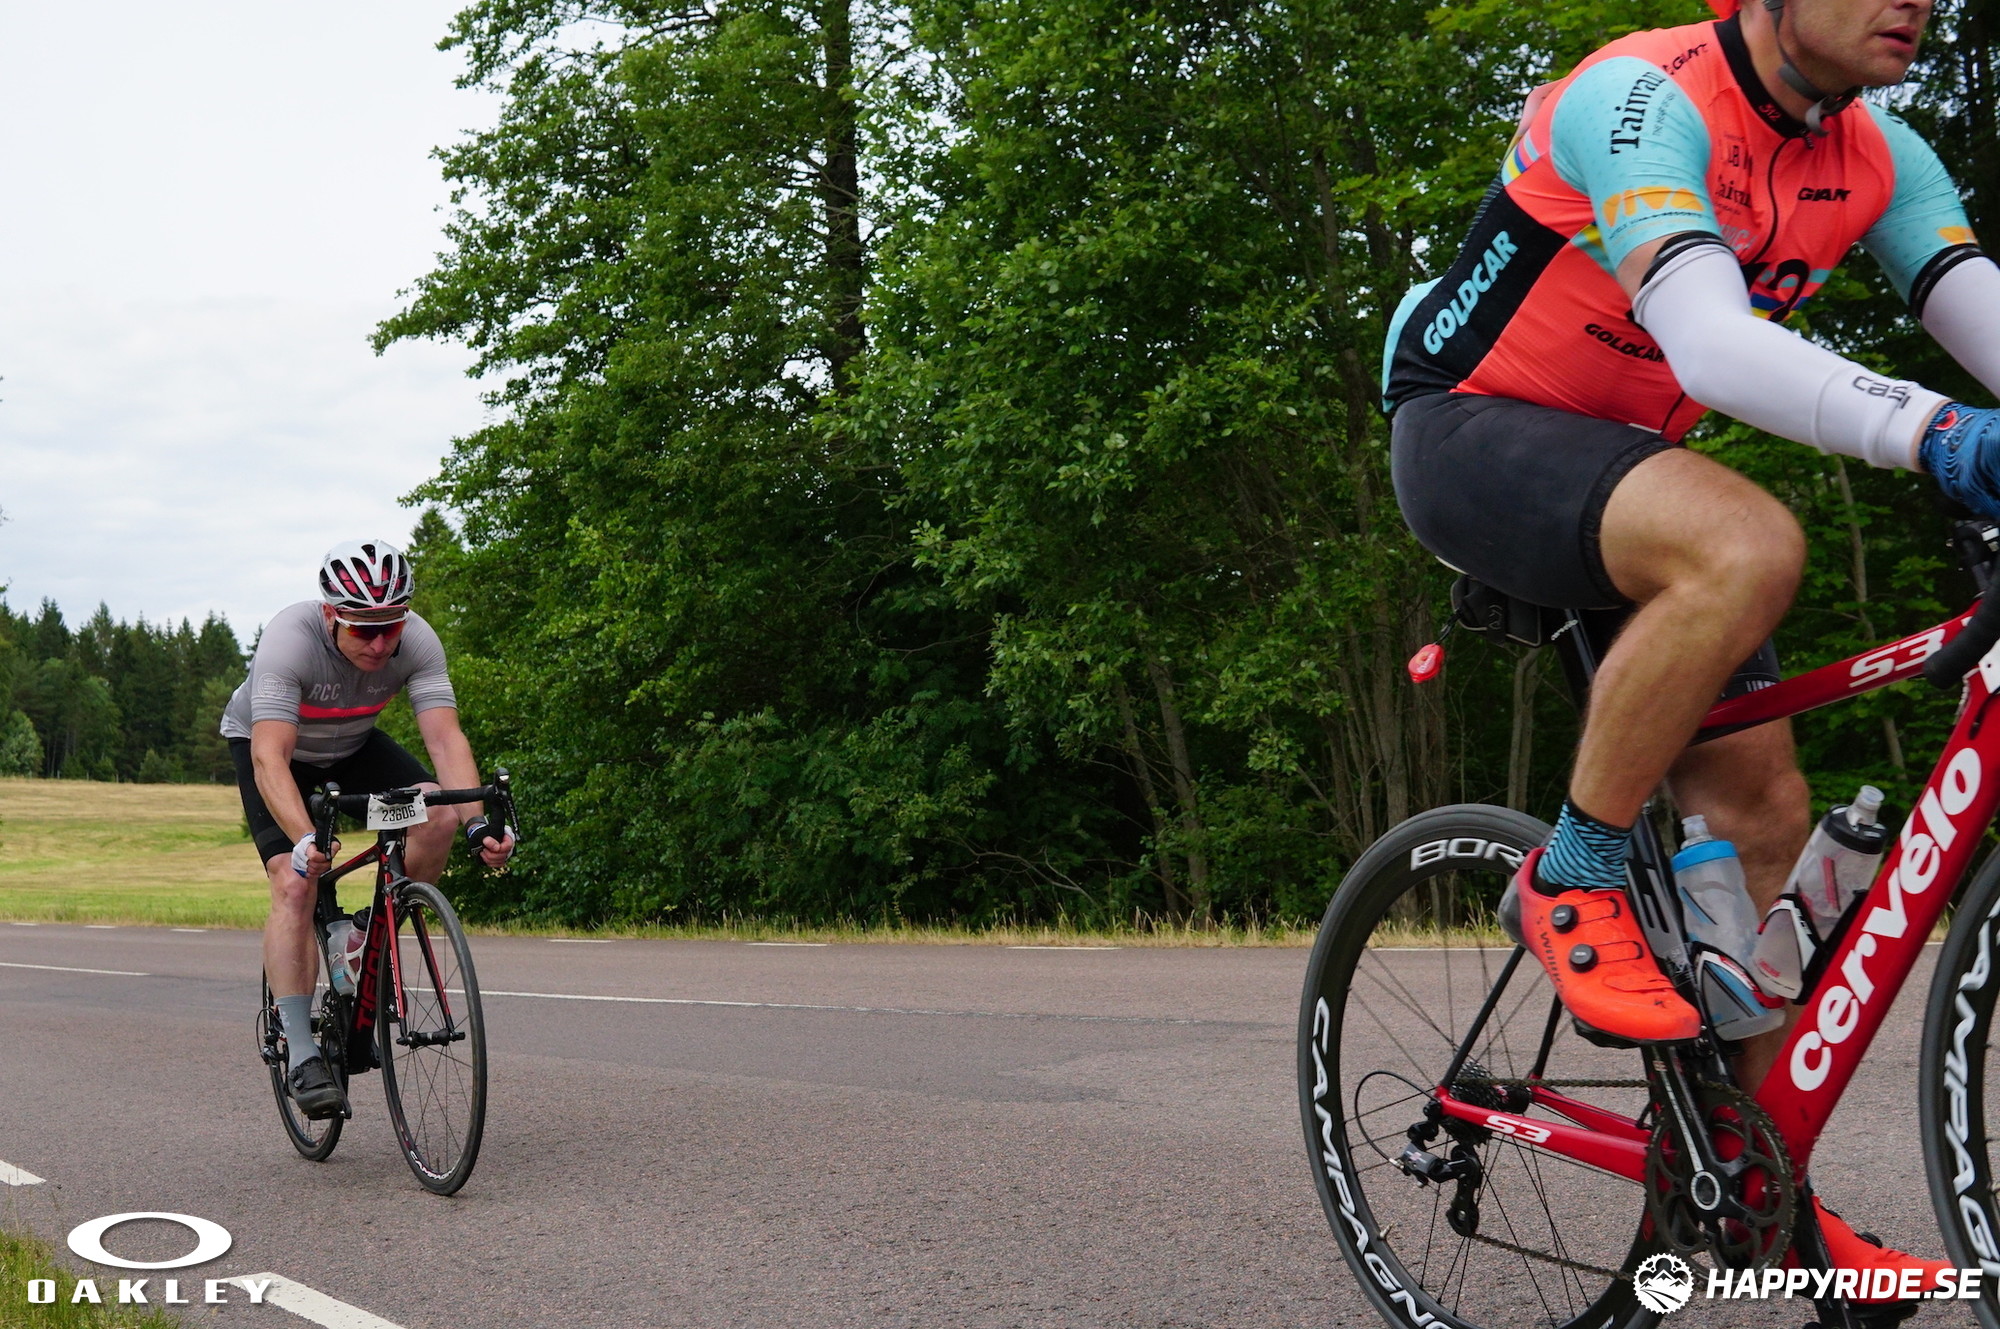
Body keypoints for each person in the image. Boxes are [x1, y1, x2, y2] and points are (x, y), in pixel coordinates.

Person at [1382, 0, 2000, 1297]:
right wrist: (1941, 434)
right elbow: (1710, 346)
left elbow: (1978, 311)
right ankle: (1570, 873)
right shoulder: (1640, 99)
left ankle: (1761, 1199)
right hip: (1472, 426)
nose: (1916, 0)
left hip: (1630, 473)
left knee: (1768, 814)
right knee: (1750, 545)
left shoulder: (1878, 154)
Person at [221, 539, 514, 1119]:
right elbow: (269, 760)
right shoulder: (288, 641)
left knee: (437, 813)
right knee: (296, 884)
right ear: (331, 614)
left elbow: (445, 739)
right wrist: (305, 840)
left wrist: (477, 822)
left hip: (353, 747)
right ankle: (302, 1053)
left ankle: (362, 935)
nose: (381, 644)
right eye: (364, 630)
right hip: (277, 754)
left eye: (391, 627)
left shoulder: (419, 640)